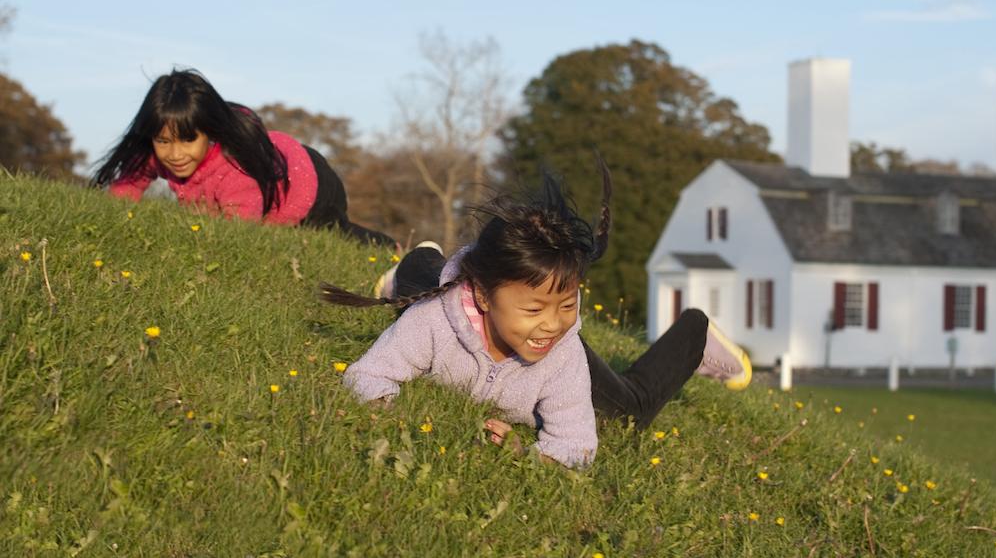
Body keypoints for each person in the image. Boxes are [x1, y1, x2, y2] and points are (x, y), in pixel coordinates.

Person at [322, 158, 752, 468]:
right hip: (461, 301)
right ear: (484, 296)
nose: (553, 322)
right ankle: (418, 260)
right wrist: (384, 407)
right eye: (536, 308)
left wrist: (529, 456)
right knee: (422, 300)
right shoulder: (435, 320)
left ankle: (695, 334)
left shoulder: (561, 351)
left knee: (628, 414)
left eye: (569, 304)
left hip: (504, 316)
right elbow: (368, 373)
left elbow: (575, 444)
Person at [92, 69, 394, 246]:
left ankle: (390, 247)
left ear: (209, 132)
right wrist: (117, 219)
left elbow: (238, 236)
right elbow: (130, 181)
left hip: (311, 185)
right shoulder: (161, 153)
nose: (175, 154)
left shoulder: (235, 171)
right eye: (163, 141)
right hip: (283, 166)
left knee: (337, 234)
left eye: (188, 140)